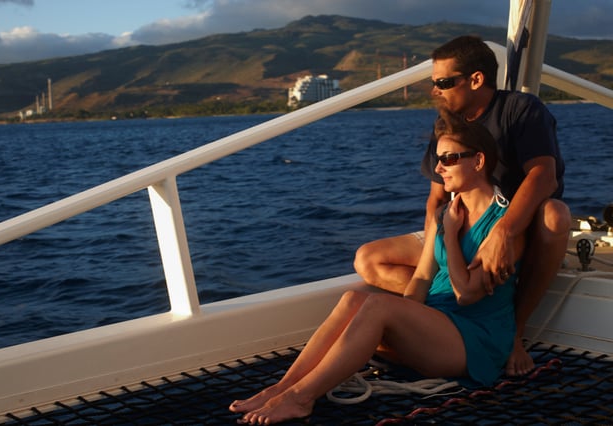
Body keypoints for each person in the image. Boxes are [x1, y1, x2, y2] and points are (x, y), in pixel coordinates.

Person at [229, 111, 526, 425]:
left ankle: (300, 399)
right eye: (438, 159)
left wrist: (450, 236)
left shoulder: (504, 229)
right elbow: (423, 276)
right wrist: (405, 324)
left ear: (478, 161)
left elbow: (466, 294)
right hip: (438, 324)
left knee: (378, 306)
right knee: (353, 300)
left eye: (448, 159)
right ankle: (283, 386)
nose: (438, 169)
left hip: (474, 342)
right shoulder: (448, 212)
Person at [353, 35, 571, 376]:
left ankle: (513, 330)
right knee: (368, 259)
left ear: (476, 80)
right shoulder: (448, 126)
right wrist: (439, 247)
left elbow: (545, 176)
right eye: (434, 83)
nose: (435, 91)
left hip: (514, 228)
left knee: (556, 215)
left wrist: (503, 231)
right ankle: (446, 317)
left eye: (443, 82)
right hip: (463, 228)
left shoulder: (520, 110)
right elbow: (436, 199)